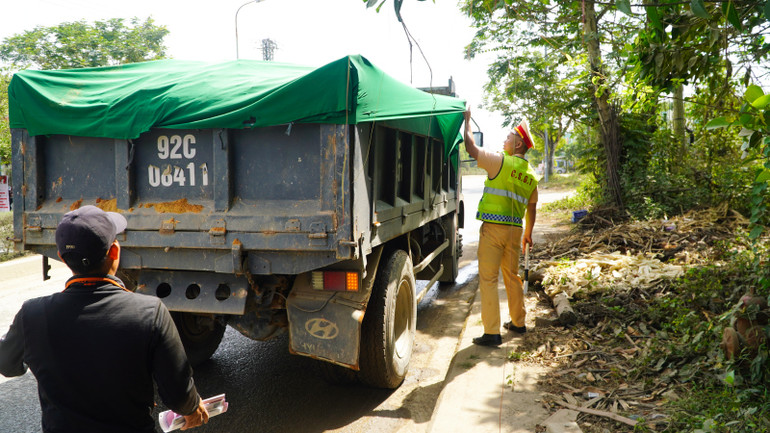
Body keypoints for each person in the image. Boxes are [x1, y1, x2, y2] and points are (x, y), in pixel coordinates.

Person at [0, 205, 209, 432]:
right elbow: (179, 395)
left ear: (62, 258)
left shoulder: (32, 315)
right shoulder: (150, 312)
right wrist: (192, 408)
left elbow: (7, 365)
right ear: (115, 252)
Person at [464, 108, 539, 347]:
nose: (504, 141)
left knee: (488, 279)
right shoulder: (531, 175)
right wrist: (528, 233)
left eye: (508, 138)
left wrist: (467, 121)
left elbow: (470, 148)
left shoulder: (500, 162)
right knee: (512, 277)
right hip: (515, 232)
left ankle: (492, 332)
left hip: (494, 230)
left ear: (518, 145)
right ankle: (518, 322)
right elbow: (532, 207)